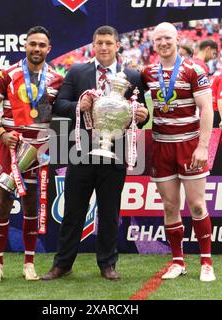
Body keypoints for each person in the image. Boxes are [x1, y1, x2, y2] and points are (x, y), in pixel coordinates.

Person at [41, 25, 149, 281]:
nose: (103, 47)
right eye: (99, 43)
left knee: (110, 212)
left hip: (116, 153)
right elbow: (59, 105)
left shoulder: (131, 76)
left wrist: (143, 116)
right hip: (81, 153)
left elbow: (140, 115)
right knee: (73, 211)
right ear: (93, 44)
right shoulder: (78, 71)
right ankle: (62, 264)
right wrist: (80, 105)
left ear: (117, 46)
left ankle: (107, 264)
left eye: (108, 43)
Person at [0, 26, 63, 283]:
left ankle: (29, 263)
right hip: (11, 147)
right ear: (25, 46)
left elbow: (61, 115)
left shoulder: (56, 79)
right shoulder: (8, 74)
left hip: (38, 150)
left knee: (31, 207)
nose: (36, 49)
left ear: (49, 49)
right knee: (3, 204)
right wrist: (2, 132)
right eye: (32, 44)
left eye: (41, 45)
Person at [142, 22, 216, 282]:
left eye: (167, 38)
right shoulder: (148, 72)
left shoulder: (194, 69)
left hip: (188, 144)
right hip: (161, 145)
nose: (163, 43)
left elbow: (207, 109)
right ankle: (177, 261)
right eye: (158, 39)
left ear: (177, 39)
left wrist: (203, 146)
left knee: (197, 205)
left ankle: (206, 262)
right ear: (153, 43)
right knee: (170, 206)